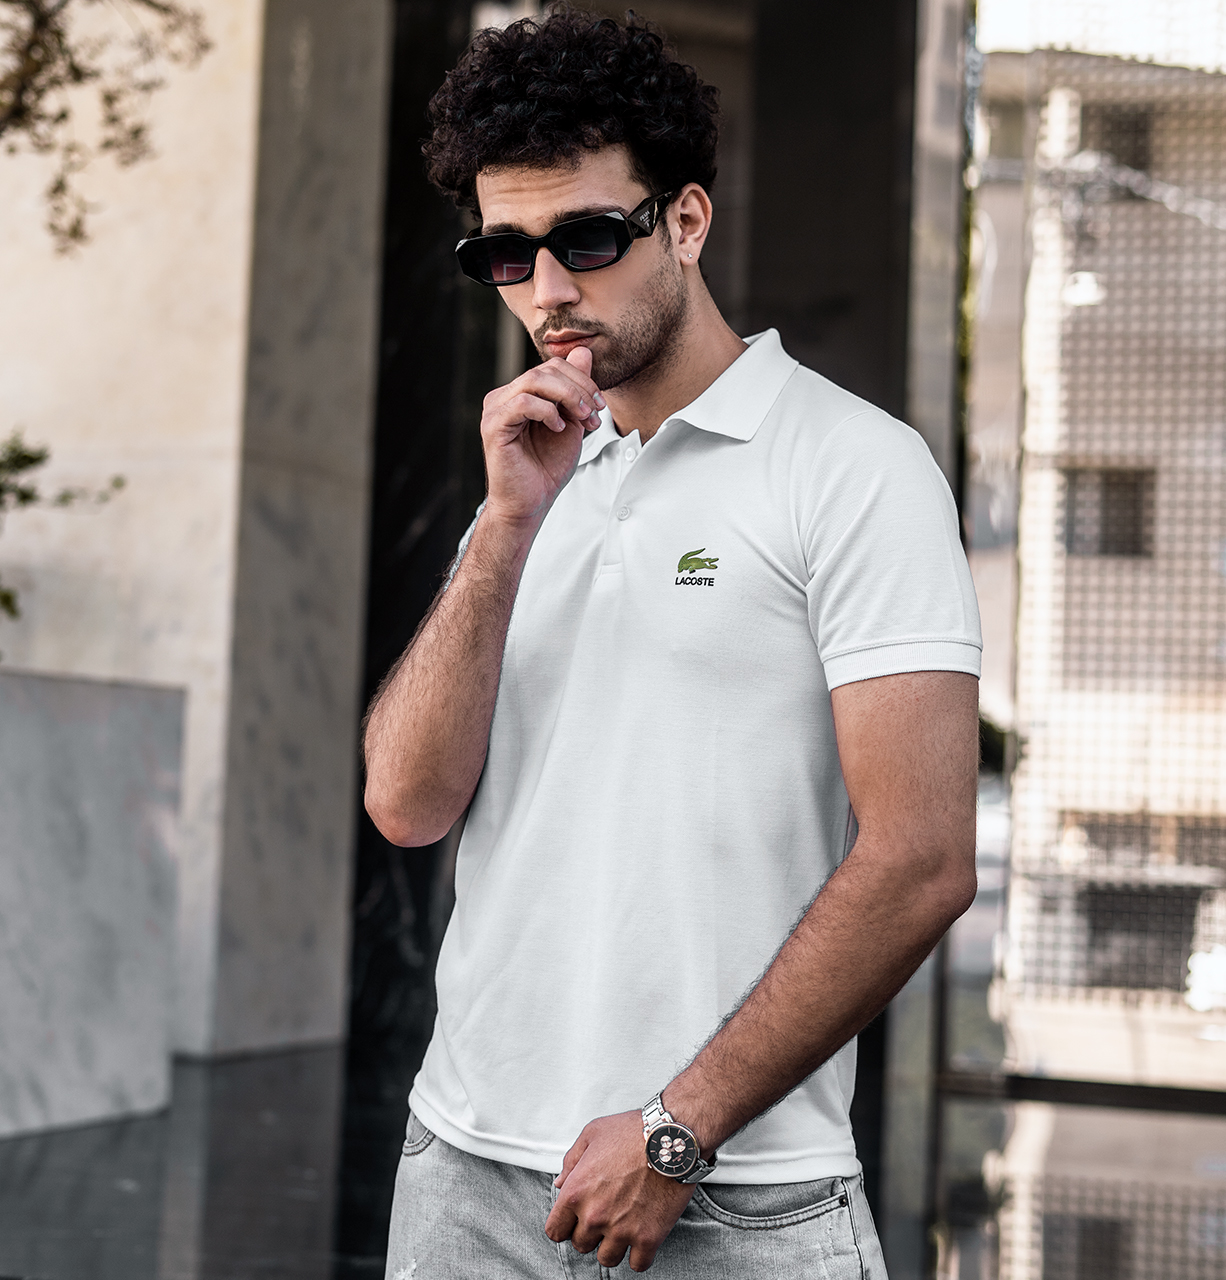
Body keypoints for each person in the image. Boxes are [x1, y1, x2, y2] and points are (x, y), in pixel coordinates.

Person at [363, 8, 981, 1277]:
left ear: (685, 221)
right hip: (463, 1174)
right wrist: (503, 527)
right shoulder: (527, 481)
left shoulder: (853, 467)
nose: (547, 290)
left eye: (586, 238)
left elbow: (921, 857)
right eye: (505, 253)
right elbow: (405, 802)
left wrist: (674, 1128)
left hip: (737, 1194)